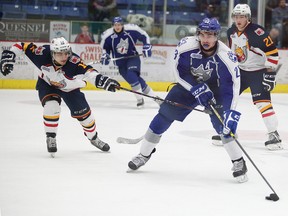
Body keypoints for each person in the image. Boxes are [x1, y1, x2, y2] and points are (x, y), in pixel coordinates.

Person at [127, 18, 248, 183]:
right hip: (189, 86)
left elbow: (232, 85)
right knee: (163, 116)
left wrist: (230, 112)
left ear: (217, 36)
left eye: (211, 35)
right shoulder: (186, 46)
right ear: (198, 34)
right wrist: (195, 88)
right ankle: (143, 154)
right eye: (203, 34)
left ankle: (238, 161)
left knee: (224, 127)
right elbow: (179, 72)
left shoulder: (226, 56)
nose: (206, 39)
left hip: (217, 91)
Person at [0, 37, 120, 157]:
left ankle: (94, 138)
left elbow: (90, 72)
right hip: (47, 84)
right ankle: (51, 137)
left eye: (66, 53)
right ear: (52, 53)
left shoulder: (74, 61)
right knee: (52, 106)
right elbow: (21, 45)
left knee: (86, 117)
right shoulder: (41, 53)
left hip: (70, 88)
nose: (64, 57)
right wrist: (9, 54)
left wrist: (103, 80)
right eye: (59, 54)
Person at [211, 4, 282, 150]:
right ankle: (228, 129)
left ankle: (274, 135)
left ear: (248, 18)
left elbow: (273, 53)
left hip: (258, 72)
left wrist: (269, 74)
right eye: (236, 16)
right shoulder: (231, 31)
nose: (238, 19)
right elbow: (233, 54)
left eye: (242, 16)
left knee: (263, 103)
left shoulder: (257, 32)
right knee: (228, 98)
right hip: (241, 72)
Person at [100, 17, 159, 108]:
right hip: (120, 63)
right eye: (115, 25)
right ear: (112, 26)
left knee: (132, 75)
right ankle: (155, 98)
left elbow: (144, 35)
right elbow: (105, 48)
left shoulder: (131, 29)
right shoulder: (107, 36)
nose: (117, 27)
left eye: (119, 24)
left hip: (132, 58)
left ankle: (140, 100)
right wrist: (105, 55)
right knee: (135, 81)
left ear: (122, 24)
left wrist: (146, 45)